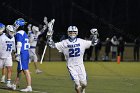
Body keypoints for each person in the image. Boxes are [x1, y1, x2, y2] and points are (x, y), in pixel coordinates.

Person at [47, 22, 98, 93]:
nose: (72, 33)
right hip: (71, 66)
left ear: (77, 33)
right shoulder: (64, 42)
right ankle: (78, 88)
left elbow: (94, 43)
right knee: (78, 84)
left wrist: (95, 35)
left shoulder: (81, 41)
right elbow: (51, 45)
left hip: (80, 65)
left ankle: (82, 89)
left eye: (74, 32)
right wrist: (49, 35)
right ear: (68, 33)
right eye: (70, 32)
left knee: (84, 84)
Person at [11, 18, 32, 92]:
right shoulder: (24, 33)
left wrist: (17, 54)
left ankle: (29, 87)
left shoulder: (19, 33)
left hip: (22, 53)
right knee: (19, 70)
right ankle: (14, 84)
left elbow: (19, 44)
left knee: (25, 70)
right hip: (25, 52)